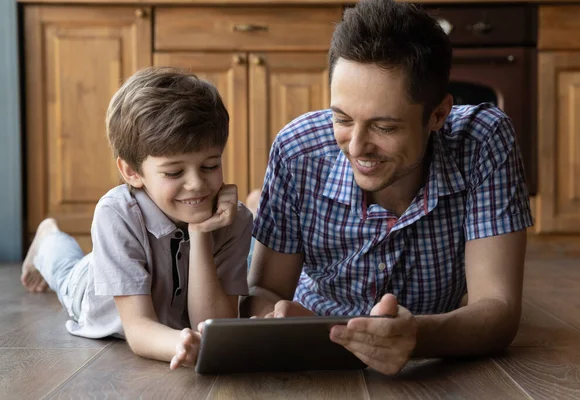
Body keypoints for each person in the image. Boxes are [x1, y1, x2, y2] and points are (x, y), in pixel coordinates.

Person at [241, 0, 533, 376]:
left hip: (428, 325)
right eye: (343, 118)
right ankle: (256, 202)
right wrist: (280, 319)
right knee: (251, 232)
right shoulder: (297, 150)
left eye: (385, 127)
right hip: (315, 319)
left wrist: (418, 337)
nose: (357, 147)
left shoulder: (483, 140)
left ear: (438, 115)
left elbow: (498, 307)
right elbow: (266, 292)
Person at [20, 67, 253, 370]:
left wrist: (199, 232)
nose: (196, 184)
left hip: (167, 306)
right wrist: (178, 344)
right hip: (94, 292)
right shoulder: (115, 213)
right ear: (132, 172)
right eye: (174, 172)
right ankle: (47, 236)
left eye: (210, 165)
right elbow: (139, 328)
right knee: (65, 271)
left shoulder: (234, 219)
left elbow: (213, 326)